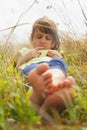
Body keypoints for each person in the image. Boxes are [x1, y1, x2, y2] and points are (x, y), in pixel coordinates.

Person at [16, 16, 75, 114]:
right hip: (33, 68)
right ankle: (52, 91)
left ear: (53, 42)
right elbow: (17, 67)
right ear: (32, 38)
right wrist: (25, 58)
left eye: (47, 38)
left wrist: (59, 56)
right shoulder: (26, 51)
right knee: (34, 78)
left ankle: (49, 87)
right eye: (39, 37)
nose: (43, 41)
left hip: (53, 66)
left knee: (58, 65)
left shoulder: (56, 52)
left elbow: (65, 66)